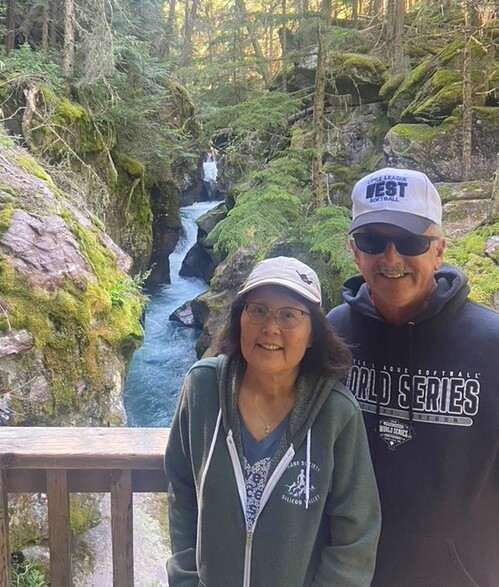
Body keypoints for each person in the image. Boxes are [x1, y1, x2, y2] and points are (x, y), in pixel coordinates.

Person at [327, 167, 499, 587]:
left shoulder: (492, 344)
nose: (391, 258)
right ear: (355, 252)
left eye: (409, 242)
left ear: (438, 250)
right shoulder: (332, 335)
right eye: (373, 241)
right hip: (348, 575)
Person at [165, 256, 381, 586]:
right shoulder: (203, 388)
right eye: (258, 310)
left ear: (313, 334)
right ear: (239, 318)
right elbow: (181, 489)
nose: (270, 327)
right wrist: (185, 579)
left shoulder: (336, 413)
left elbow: (356, 535)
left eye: (289, 315)